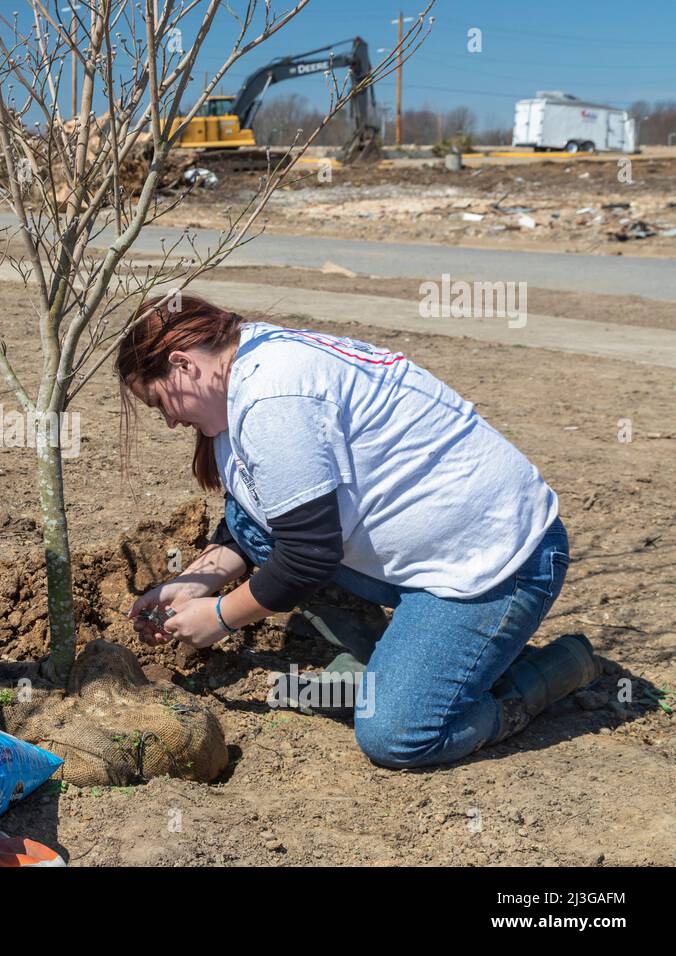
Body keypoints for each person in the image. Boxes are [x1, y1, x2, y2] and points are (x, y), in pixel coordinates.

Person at [118, 295, 599, 770]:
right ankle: (404, 661)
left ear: (182, 364)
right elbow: (255, 520)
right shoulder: (246, 362)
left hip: (492, 565)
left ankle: (550, 671)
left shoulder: (274, 398)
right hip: (425, 553)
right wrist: (197, 580)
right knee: (256, 526)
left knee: (398, 735)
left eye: (161, 402)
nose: (171, 420)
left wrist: (221, 616)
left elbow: (308, 556)